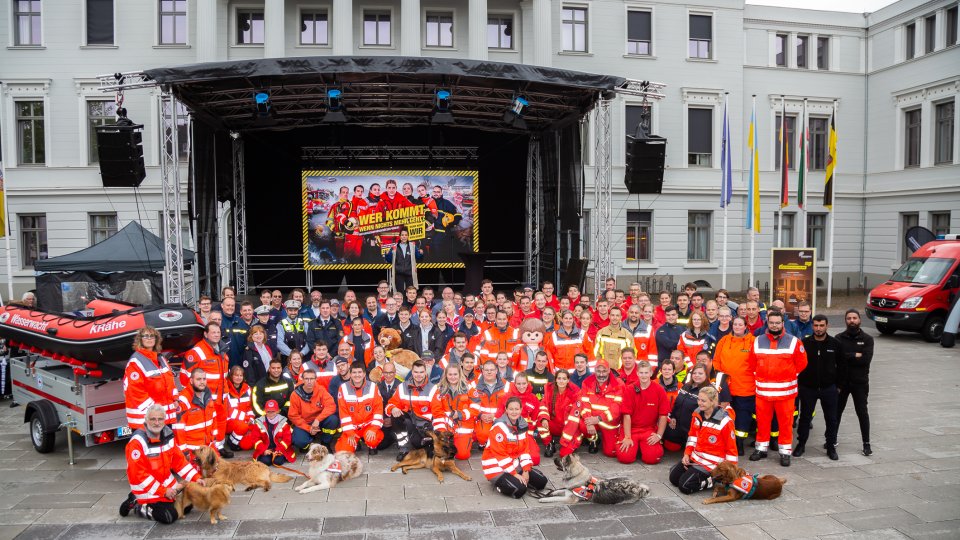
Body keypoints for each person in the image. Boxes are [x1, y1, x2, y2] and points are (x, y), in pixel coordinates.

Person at [119, 405, 203, 524]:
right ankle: (137, 504)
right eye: (153, 419)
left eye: (160, 419)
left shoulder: (167, 436)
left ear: (165, 420)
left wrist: (197, 478)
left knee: (188, 505)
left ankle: (161, 501)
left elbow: (180, 462)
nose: (157, 423)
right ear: (146, 420)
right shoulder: (137, 442)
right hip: (147, 490)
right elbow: (139, 475)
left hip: (166, 487)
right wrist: (163, 491)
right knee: (169, 516)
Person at [749, 311, 808, 466]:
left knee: (785, 423)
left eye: (777, 322)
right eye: (771, 322)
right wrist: (760, 376)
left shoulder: (794, 342)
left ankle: (785, 452)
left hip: (785, 394)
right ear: (767, 323)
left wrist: (789, 375)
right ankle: (761, 449)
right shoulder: (757, 341)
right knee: (762, 422)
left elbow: (802, 363)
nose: (774, 325)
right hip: (763, 393)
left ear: (783, 323)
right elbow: (751, 363)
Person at [669, 386, 737, 494]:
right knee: (673, 479)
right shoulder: (697, 414)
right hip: (695, 458)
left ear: (713, 401)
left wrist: (730, 472)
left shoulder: (725, 421)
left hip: (712, 464)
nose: (699, 403)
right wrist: (687, 454)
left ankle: (714, 479)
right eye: (698, 399)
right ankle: (695, 474)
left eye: (703, 401)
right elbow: (692, 437)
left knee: (685, 487)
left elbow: (731, 449)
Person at [179, 322, 231, 457]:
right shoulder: (197, 352)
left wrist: (226, 393)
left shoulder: (223, 351)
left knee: (220, 422)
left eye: (218, 332)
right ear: (206, 334)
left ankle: (219, 447)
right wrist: (195, 397)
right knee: (206, 425)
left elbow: (224, 376)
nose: (216, 335)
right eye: (213, 332)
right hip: (206, 399)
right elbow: (185, 378)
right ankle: (206, 451)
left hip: (221, 397)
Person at [482, 396, 549, 499]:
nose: (514, 412)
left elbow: (525, 451)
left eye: (517, 409)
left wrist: (526, 471)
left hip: (513, 465)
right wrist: (515, 474)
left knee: (542, 483)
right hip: (495, 468)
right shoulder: (499, 427)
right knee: (519, 491)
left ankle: (519, 481)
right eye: (511, 409)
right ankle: (499, 485)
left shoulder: (522, 424)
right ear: (506, 410)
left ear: (521, 410)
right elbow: (500, 455)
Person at [795, 314, 840, 460]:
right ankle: (801, 444)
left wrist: (839, 386)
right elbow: (797, 365)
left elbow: (842, 367)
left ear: (827, 326)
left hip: (829, 389)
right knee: (805, 418)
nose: (818, 328)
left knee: (831, 419)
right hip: (808, 388)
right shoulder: (804, 343)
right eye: (816, 325)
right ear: (812, 326)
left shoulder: (835, 344)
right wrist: (801, 385)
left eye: (821, 325)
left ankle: (831, 446)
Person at [559, 359, 626, 457]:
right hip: (591, 420)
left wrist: (598, 419)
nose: (601, 374)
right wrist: (588, 420)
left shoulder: (618, 384)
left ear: (609, 371)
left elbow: (616, 408)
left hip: (609, 422)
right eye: (598, 371)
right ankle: (591, 439)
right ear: (594, 371)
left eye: (604, 371)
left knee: (611, 453)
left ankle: (598, 438)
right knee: (576, 408)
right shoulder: (587, 382)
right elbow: (584, 403)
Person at [712, 317, 757, 455]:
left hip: (745, 387)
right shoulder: (724, 340)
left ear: (745, 326)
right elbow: (716, 360)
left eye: (740, 324)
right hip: (725, 388)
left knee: (743, 418)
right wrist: (721, 379)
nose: (737, 327)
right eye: (735, 324)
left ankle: (739, 443)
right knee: (723, 415)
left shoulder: (753, 341)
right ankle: (723, 441)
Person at [836, 308, 874, 456]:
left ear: (859, 320)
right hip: (842, 383)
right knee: (836, 412)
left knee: (862, 413)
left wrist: (847, 356)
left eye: (854, 318)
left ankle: (866, 443)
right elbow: (837, 360)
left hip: (860, 383)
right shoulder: (839, 338)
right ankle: (832, 439)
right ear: (845, 321)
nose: (852, 320)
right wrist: (855, 355)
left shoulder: (868, 339)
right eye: (849, 318)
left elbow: (865, 360)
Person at [124, 327, 177, 431]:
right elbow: (135, 391)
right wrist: (154, 411)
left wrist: (175, 398)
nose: (149, 338)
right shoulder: (136, 361)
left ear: (156, 339)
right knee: (152, 447)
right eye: (146, 336)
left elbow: (170, 382)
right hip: (147, 419)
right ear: (140, 339)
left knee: (165, 446)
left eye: (152, 336)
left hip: (164, 418)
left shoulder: (161, 358)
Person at [617, 360, 669, 465]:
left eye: (646, 373)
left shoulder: (659, 390)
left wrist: (659, 436)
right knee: (625, 458)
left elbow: (663, 415)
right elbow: (626, 415)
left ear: (651, 373)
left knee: (653, 458)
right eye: (641, 373)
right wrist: (627, 437)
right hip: (632, 429)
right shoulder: (630, 389)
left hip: (648, 429)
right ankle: (633, 445)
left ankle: (644, 448)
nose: (644, 375)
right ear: (637, 373)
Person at [386, 360, 437, 461]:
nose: (418, 375)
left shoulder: (433, 389)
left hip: (426, 427)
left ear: (425, 372)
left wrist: (436, 433)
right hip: (410, 423)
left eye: (421, 372)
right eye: (416, 372)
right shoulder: (402, 387)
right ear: (412, 372)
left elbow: (438, 413)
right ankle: (403, 449)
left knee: (420, 446)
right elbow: (390, 404)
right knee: (395, 415)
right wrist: (393, 408)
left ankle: (424, 443)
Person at [335, 361, 385, 455]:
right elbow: (343, 412)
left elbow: (378, 410)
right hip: (353, 427)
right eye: (354, 372)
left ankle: (371, 445)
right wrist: (349, 433)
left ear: (364, 374)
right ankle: (355, 443)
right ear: (350, 373)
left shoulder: (373, 387)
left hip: (368, 425)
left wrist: (373, 429)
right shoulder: (343, 388)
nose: (357, 375)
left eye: (359, 372)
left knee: (372, 440)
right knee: (343, 451)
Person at [662, 364, 712, 451]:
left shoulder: (709, 390)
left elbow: (709, 414)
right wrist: (673, 417)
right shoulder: (687, 386)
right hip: (679, 426)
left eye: (700, 373)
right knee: (670, 445)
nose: (696, 375)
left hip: (694, 429)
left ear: (706, 375)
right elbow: (677, 403)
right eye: (694, 373)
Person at [496, 373, 542, 465]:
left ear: (528, 383)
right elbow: (498, 417)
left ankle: (520, 455)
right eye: (519, 384)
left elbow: (536, 419)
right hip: (509, 434)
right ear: (515, 384)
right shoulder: (506, 397)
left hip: (525, 434)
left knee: (535, 460)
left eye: (524, 383)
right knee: (504, 459)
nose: (521, 386)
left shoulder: (533, 399)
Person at [431, 364, 475, 460]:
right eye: (450, 374)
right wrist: (442, 432)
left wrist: (460, 414)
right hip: (446, 425)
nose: (453, 377)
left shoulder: (469, 389)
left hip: (463, 426)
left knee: (462, 455)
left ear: (460, 374)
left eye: (455, 374)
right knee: (442, 453)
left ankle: (469, 439)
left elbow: (475, 408)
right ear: (445, 375)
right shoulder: (439, 389)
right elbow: (436, 410)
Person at [288, 368, 339, 451]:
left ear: (316, 379)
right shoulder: (295, 394)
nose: (309, 381)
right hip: (304, 422)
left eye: (311, 379)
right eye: (306, 379)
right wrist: (309, 428)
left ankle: (325, 442)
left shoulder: (321, 390)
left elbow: (331, 406)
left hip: (318, 421)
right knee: (299, 441)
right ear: (302, 379)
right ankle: (308, 444)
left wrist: (318, 419)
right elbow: (293, 416)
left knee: (333, 420)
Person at [174, 369, 220, 455]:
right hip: (192, 450)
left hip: (208, 447)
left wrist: (214, 441)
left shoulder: (208, 397)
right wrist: (184, 452)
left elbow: (213, 420)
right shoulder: (184, 400)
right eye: (198, 379)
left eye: (204, 379)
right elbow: (178, 428)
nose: (202, 382)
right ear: (191, 381)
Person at [469, 361, 512, 449]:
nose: (489, 372)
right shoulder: (473, 385)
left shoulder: (507, 385)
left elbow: (511, 405)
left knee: (503, 436)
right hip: (483, 418)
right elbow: (469, 404)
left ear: (496, 371)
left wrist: (496, 415)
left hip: (501, 418)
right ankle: (483, 442)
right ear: (482, 371)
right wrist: (480, 415)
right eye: (487, 370)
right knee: (483, 435)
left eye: (492, 370)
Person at [537, 370, 580, 458]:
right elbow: (543, 405)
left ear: (568, 380)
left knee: (564, 454)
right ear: (555, 379)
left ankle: (568, 443)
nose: (561, 381)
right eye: (559, 378)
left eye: (564, 379)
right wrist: (544, 418)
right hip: (555, 425)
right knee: (540, 420)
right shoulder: (549, 390)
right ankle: (548, 443)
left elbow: (574, 419)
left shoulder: (575, 392)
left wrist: (564, 441)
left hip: (569, 427)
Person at [248, 400, 295, 466]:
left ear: (278, 411)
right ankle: (268, 455)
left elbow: (287, 440)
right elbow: (255, 439)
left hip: (280, 449)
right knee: (266, 462)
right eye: (268, 411)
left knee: (277, 462)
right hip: (266, 448)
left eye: (273, 411)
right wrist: (264, 450)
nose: (271, 413)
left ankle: (278, 456)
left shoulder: (284, 423)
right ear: (265, 411)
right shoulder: (259, 423)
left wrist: (278, 450)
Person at [224, 366, 253, 451]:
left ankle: (237, 439)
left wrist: (251, 418)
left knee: (246, 445)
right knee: (243, 426)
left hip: (244, 421)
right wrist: (246, 418)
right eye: (236, 375)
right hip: (229, 421)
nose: (238, 377)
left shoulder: (248, 389)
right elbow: (229, 411)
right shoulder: (226, 389)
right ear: (231, 376)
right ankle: (232, 442)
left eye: (241, 375)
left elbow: (250, 407)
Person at [385, 228, 423, 293]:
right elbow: (389, 260)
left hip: (410, 273)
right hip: (399, 274)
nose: (404, 237)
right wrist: (387, 254)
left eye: (406, 235)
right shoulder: (394, 247)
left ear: (408, 236)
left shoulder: (412, 246)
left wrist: (421, 253)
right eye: (402, 235)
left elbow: (418, 257)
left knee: (411, 292)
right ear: (400, 236)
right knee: (399, 293)